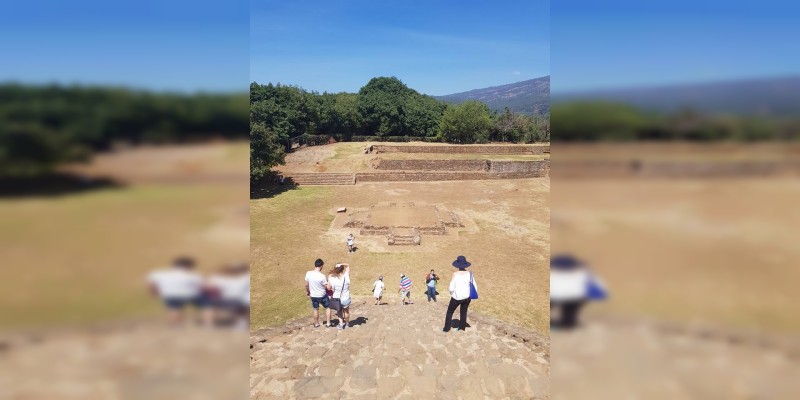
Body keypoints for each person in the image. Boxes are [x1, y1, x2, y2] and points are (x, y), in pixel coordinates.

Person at [147, 256, 213, 327]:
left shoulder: (159, 273)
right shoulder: (195, 275)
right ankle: (208, 323)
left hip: (170, 294)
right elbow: (204, 287)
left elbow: (152, 285)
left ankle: (175, 324)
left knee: (174, 308)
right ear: (189, 266)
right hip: (191, 294)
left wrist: (154, 293)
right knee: (207, 306)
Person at [550, 254, 607, 329]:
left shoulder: (553, 273)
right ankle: (568, 322)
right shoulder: (583, 272)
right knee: (570, 309)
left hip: (560, 295)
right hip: (576, 296)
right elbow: (599, 289)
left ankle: (565, 322)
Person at [206, 262, 250, 330]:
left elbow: (210, 284)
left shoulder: (222, 278)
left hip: (231, 300)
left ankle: (210, 324)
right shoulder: (244, 278)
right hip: (233, 300)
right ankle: (240, 324)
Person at [443, 255, 477, 332]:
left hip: (456, 297)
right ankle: (462, 328)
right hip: (467, 298)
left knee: (450, 312)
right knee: (463, 312)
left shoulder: (455, 274)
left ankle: (446, 329)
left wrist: (452, 294)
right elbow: (475, 286)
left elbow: (451, 288)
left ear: (457, 265)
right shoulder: (470, 274)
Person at [305, 258, 332, 328]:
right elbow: (326, 287)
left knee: (315, 309)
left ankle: (316, 323)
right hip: (322, 295)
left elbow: (306, 284)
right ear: (321, 266)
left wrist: (308, 291)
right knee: (328, 307)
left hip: (313, 295)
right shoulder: (322, 276)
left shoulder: (308, 273)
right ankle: (328, 323)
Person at [328, 263, 351, 330]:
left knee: (339, 312)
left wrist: (329, 278)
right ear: (342, 269)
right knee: (346, 312)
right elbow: (348, 265)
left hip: (336, 298)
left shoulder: (332, 278)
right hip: (346, 297)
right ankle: (347, 323)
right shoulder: (346, 276)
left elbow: (328, 288)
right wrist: (341, 264)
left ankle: (341, 324)